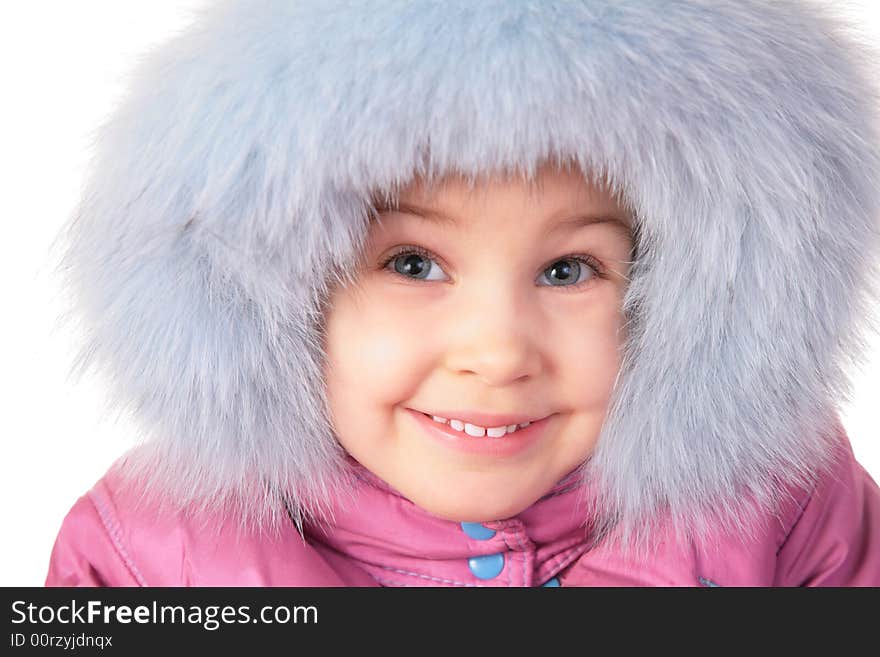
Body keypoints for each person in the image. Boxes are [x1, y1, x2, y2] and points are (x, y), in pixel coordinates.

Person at [45, 0, 880, 586]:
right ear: (274, 294)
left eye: (569, 270)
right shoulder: (148, 555)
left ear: (688, 296)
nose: (497, 352)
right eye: (412, 262)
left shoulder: (785, 505)